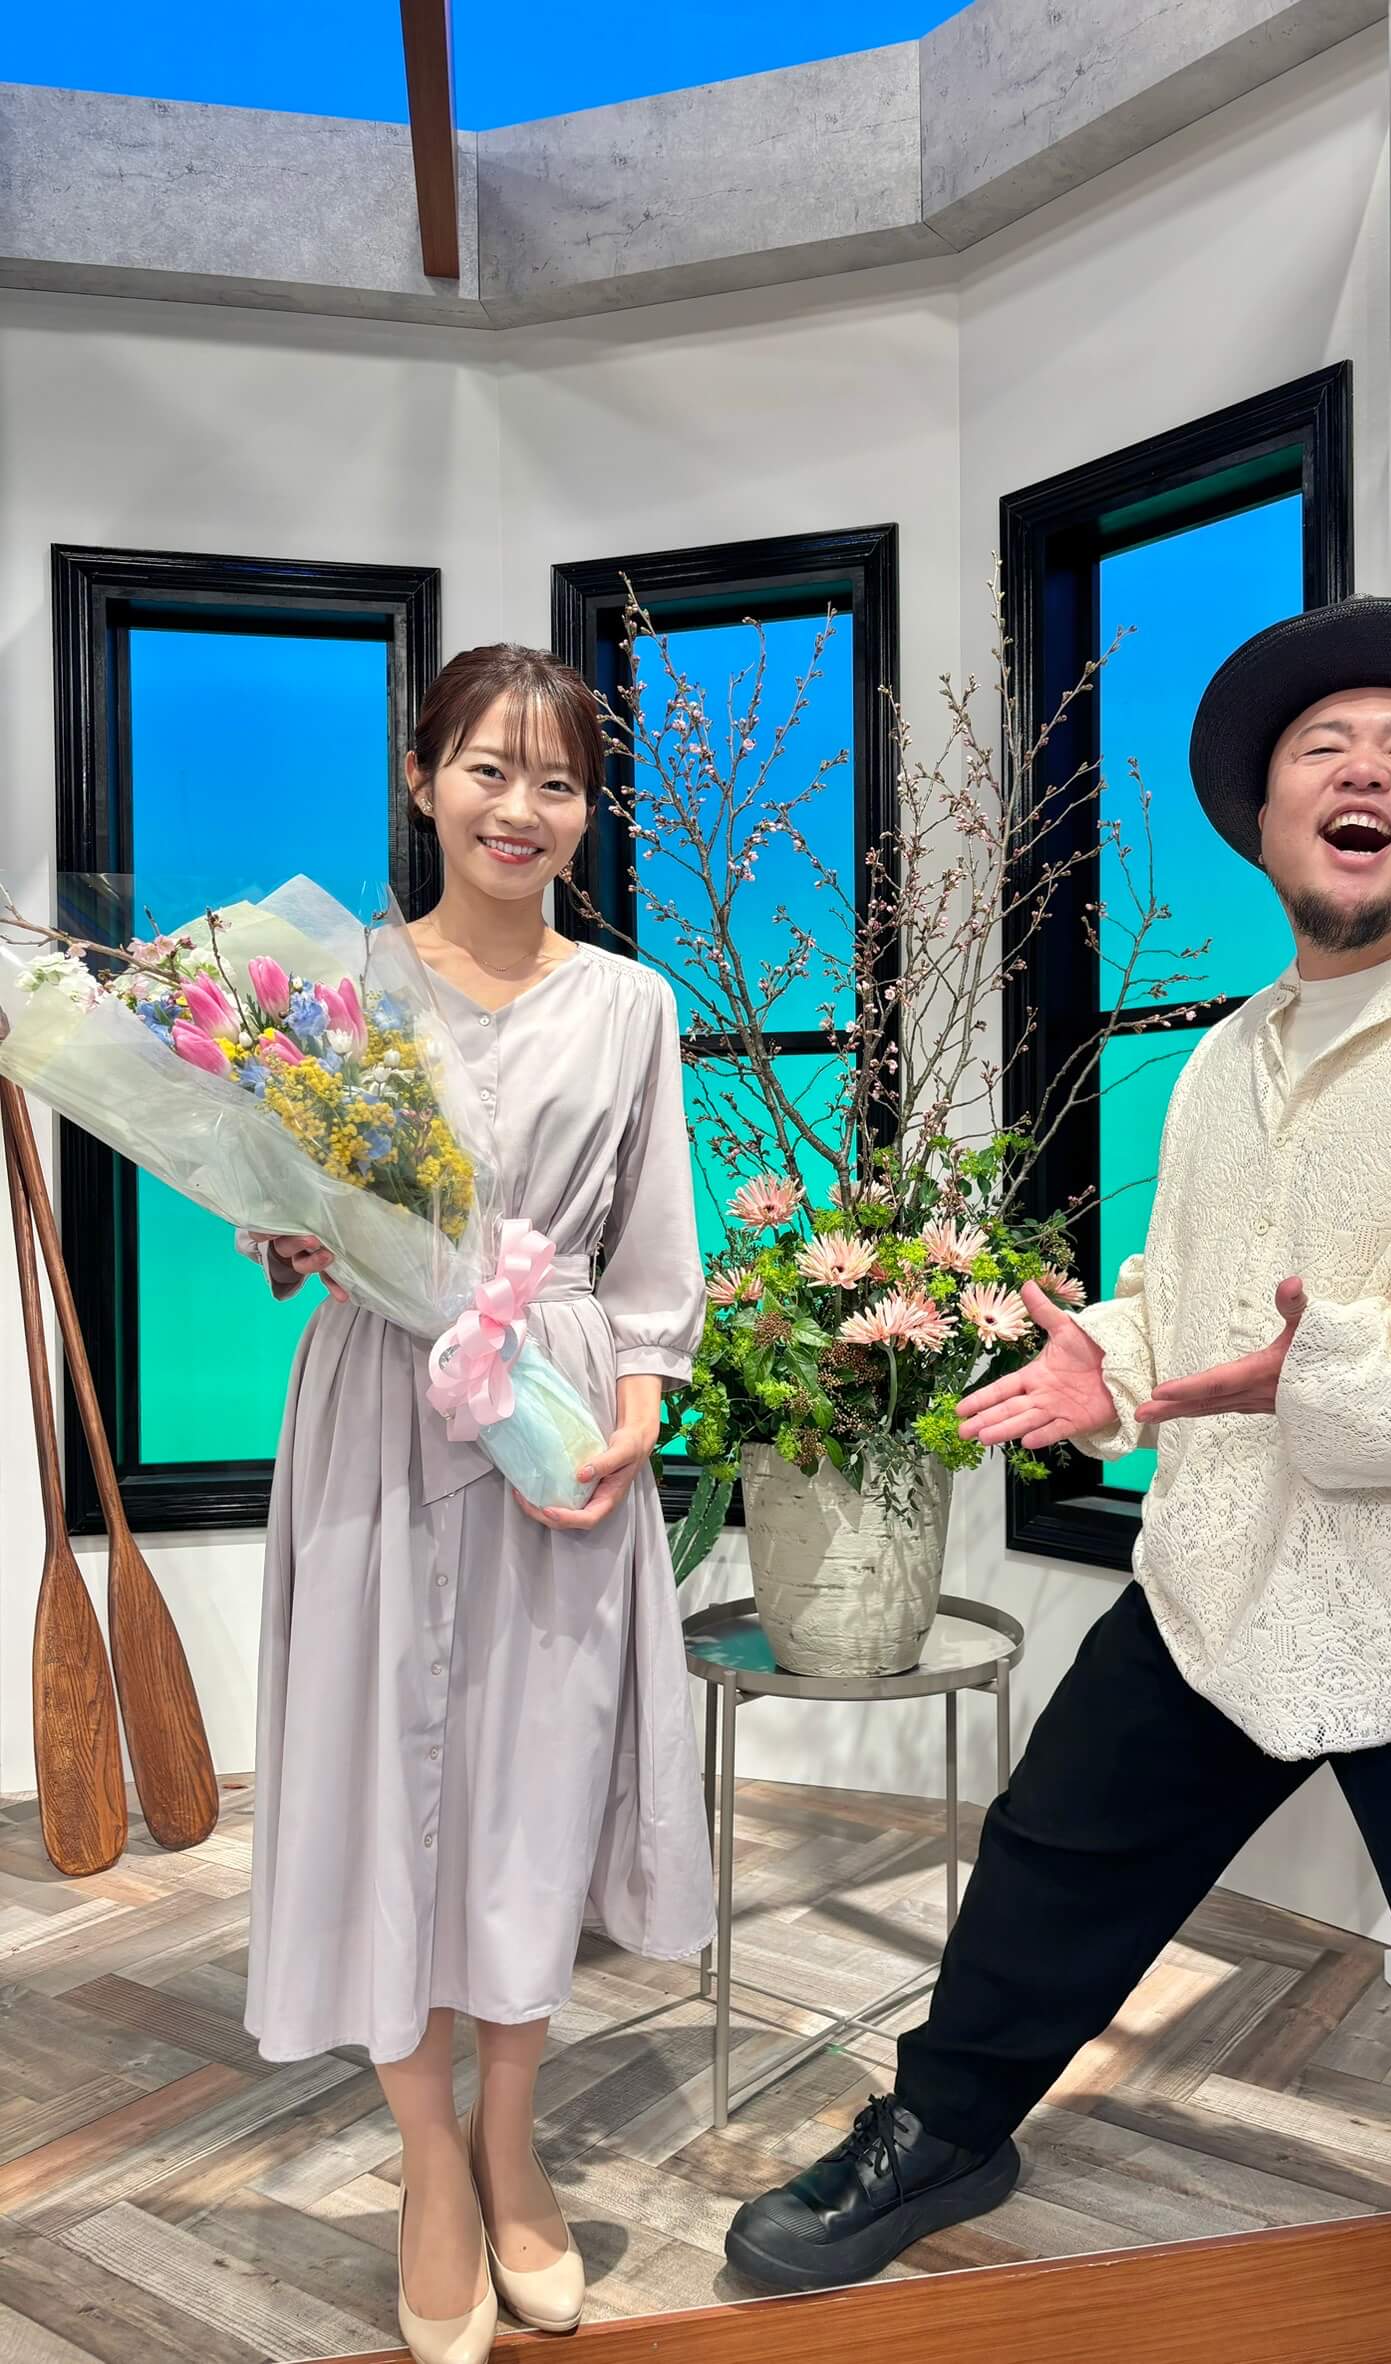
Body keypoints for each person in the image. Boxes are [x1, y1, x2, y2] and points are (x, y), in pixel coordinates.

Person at [724, 595, 1391, 2364]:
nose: (1360, 773)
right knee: (1055, 1848)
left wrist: (1330, 1369)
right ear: (1264, 821)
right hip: (1234, 1557)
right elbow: (1200, 1296)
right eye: (1319, 751)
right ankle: (941, 2132)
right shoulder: (1226, 1057)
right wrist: (1112, 1356)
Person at [239, 644, 714, 2364]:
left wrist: (641, 1401)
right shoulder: (333, 991)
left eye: (559, 781)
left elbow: (652, 1238)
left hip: (556, 1418)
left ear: (590, 813)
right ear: (423, 779)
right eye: (489, 770)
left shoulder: (631, 1003)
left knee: (532, 1778)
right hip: (380, 1398)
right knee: (376, 1766)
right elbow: (281, 1215)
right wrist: (289, 1222)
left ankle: (512, 2139)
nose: (522, 810)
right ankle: (426, 2157)